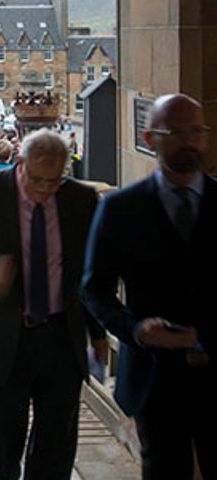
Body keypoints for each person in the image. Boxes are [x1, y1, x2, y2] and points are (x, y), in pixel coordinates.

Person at [0, 129, 108, 480]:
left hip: (60, 337)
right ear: (19, 162)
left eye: (55, 181)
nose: (45, 189)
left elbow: (88, 271)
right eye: (37, 179)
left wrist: (97, 332)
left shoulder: (80, 200)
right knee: (4, 442)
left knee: (56, 445)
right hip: (4, 335)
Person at [81, 93, 216, 479]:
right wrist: (135, 330)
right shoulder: (121, 208)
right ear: (150, 137)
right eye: (176, 132)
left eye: (196, 131)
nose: (189, 141)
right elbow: (93, 288)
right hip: (155, 382)